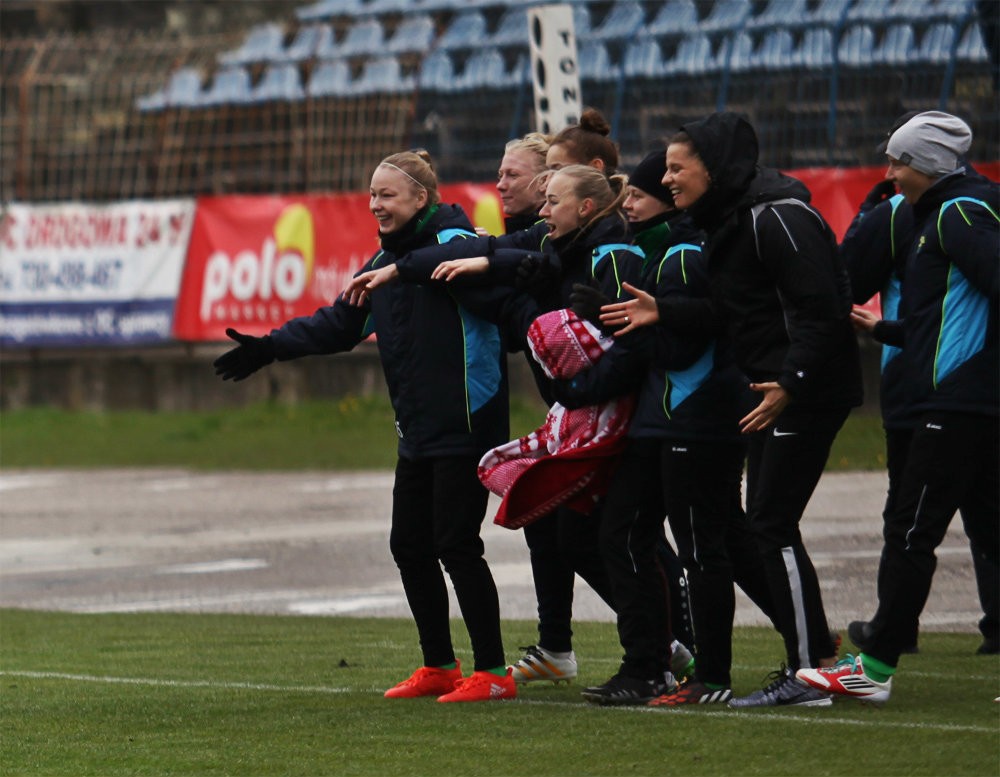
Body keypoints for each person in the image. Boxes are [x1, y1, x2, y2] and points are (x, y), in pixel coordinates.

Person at [213, 150, 515, 703]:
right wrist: (270, 347)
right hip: (416, 430)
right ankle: (440, 665)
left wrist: (404, 269)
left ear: (420, 198)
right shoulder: (383, 262)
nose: (375, 204)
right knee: (409, 545)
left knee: (456, 544)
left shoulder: (458, 245)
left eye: (386, 195)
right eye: (372, 194)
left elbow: (483, 269)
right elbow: (339, 324)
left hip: (467, 423)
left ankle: (494, 671)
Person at [345, 113, 637, 687]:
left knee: (607, 536)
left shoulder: (596, 252)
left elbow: (556, 324)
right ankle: (551, 648)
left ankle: (666, 648)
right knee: (551, 529)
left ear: (583, 188)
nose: (502, 184)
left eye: (525, 175)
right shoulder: (540, 243)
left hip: (603, 414)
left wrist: (491, 284)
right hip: (568, 410)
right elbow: (508, 266)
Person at [604, 113, 863, 708]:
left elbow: (824, 308)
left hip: (802, 391)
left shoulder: (779, 216)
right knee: (767, 526)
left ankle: (811, 670)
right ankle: (814, 662)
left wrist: (791, 382)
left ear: (715, 167)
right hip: (771, 391)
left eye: (677, 167)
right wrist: (664, 311)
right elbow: (728, 312)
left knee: (770, 525)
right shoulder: (729, 221)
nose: (667, 179)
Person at [552, 150, 770, 705]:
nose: (628, 202)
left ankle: (714, 672)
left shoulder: (681, 253)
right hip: (664, 421)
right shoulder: (663, 249)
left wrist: (608, 335)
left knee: (703, 549)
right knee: (634, 537)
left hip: (691, 422)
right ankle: (652, 665)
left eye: (642, 193)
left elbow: (679, 348)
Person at [796, 112, 999, 703]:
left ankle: (875, 666)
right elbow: (941, 320)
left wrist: (972, 376)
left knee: (912, 529)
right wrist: (886, 330)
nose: (888, 173)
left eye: (897, 161)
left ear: (928, 164)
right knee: (987, 531)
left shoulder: (959, 213)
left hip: (955, 403)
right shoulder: (943, 213)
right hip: (964, 400)